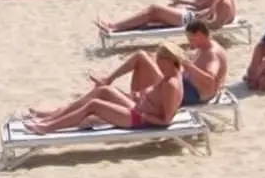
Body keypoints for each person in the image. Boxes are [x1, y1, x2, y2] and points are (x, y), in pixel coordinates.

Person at [23, 44, 184, 134]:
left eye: (160, 61)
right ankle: (52, 117)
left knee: (94, 105)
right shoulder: (170, 76)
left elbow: (166, 120)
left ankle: (47, 127)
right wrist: (141, 98)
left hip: (137, 119)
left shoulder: (171, 84)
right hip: (136, 109)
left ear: (169, 61)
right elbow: (157, 101)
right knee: (103, 91)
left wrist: (144, 115)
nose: (158, 65)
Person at [96, 0, 236, 35]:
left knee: (154, 10)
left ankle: (114, 27)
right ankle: (114, 26)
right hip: (192, 17)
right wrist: (201, 13)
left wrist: (200, 21)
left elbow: (216, 25)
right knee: (152, 13)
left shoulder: (224, 4)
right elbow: (211, 13)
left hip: (190, 21)